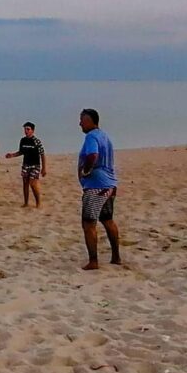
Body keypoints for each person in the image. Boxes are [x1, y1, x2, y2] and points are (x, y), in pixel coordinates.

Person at [77, 109, 121, 270]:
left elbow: (93, 155)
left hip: (96, 186)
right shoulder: (104, 136)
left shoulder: (91, 136)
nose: (80, 124)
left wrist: (85, 171)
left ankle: (93, 261)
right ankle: (116, 257)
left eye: (82, 120)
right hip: (109, 184)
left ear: (90, 121)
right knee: (107, 220)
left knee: (88, 223)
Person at [5, 122, 47, 207]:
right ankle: (26, 203)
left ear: (32, 130)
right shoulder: (23, 140)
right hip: (26, 165)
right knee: (25, 183)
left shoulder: (36, 141)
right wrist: (12, 155)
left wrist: (44, 168)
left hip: (35, 165)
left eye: (28, 129)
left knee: (33, 184)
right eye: (25, 129)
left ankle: (38, 203)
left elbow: (42, 154)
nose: (26, 131)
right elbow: (21, 152)